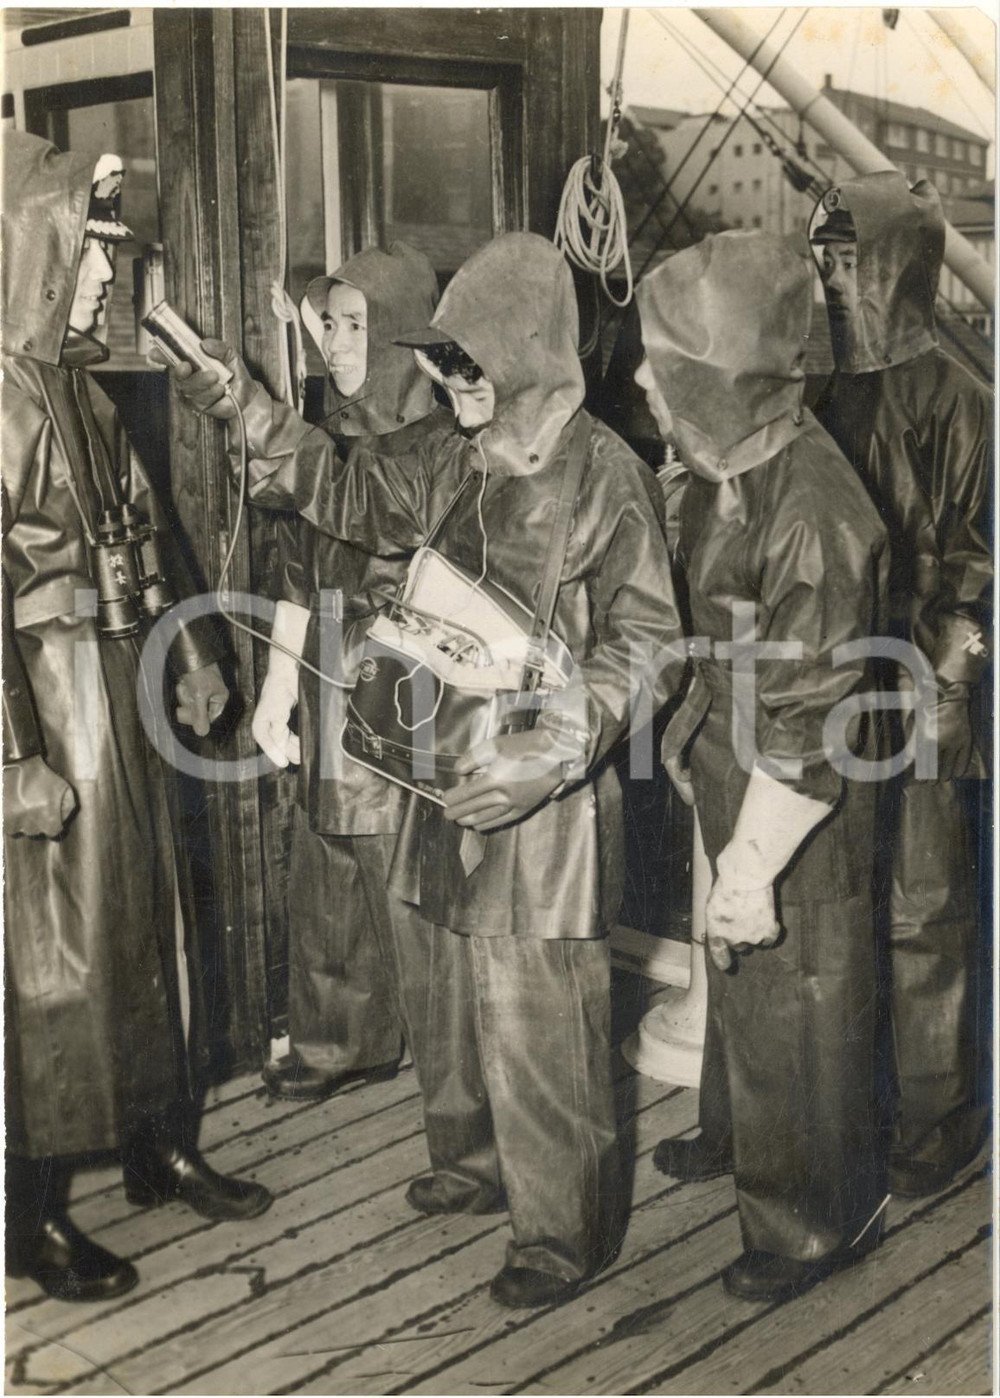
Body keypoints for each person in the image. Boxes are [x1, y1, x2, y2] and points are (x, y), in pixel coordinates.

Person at [164, 231, 684, 1309]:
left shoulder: (609, 479)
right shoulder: (450, 456)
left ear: (531, 353)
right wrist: (237, 404)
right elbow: (345, 490)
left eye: (467, 363)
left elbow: (647, 646)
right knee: (447, 987)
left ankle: (561, 1232)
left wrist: (551, 752)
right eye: (440, 363)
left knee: (542, 1014)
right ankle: (473, 1161)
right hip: (435, 768)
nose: (448, 384)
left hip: (540, 797)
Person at [2, 131, 272, 1304]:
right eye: (90, 256)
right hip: (49, 709)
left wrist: (199, 656)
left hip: (120, 696)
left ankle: (158, 1143)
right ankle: (28, 1209)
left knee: (145, 926)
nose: (109, 280)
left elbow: (150, 537)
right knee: (44, 964)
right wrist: (14, 758)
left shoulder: (85, 393)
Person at [635, 231, 889, 1303]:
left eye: (667, 362)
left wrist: (750, 863)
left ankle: (815, 1219)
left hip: (804, 775)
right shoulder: (730, 465)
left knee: (802, 987)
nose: (642, 378)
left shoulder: (816, 513)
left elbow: (805, 723)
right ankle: (739, 1131)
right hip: (736, 742)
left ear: (726, 376)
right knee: (745, 975)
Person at [810, 171, 993, 1198]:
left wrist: (950, 675)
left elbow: (981, 566)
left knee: (926, 913)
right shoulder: (821, 386)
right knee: (849, 903)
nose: (830, 275)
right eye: (823, 257)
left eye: (846, 257)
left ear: (894, 266)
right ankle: (864, 1103)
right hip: (842, 677)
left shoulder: (965, 404)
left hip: (928, 685)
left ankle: (940, 1122)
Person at [250, 244, 452, 1102]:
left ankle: (448, 1068)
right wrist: (274, 691)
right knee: (328, 856)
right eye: (328, 323)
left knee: (399, 871)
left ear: (405, 336)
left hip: (405, 675)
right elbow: (297, 573)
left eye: (356, 324)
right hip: (327, 660)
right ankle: (340, 1042)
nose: (334, 343)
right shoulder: (325, 442)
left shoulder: (440, 446)